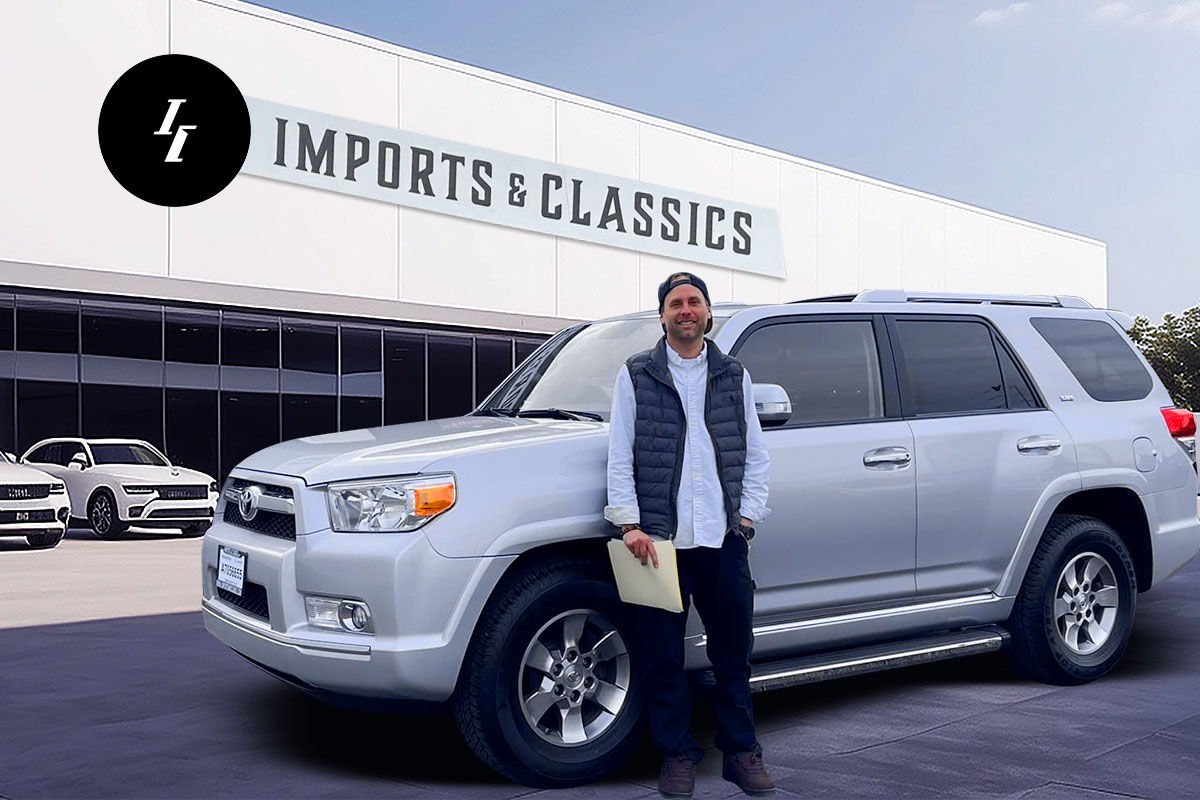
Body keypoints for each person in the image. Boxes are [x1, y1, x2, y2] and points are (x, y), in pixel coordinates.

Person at [605, 271, 774, 798]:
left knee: (733, 656)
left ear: (707, 313)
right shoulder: (636, 375)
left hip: (722, 541)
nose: (685, 310)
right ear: (662, 315)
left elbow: (756, 453)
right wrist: (629, 524)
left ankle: (741, 753)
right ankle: (677, 754)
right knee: (661, 658)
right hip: (658, 543)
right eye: (675, 303)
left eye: (694, 302)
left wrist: (745, 521)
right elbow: (619, 453)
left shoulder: (733, 375)